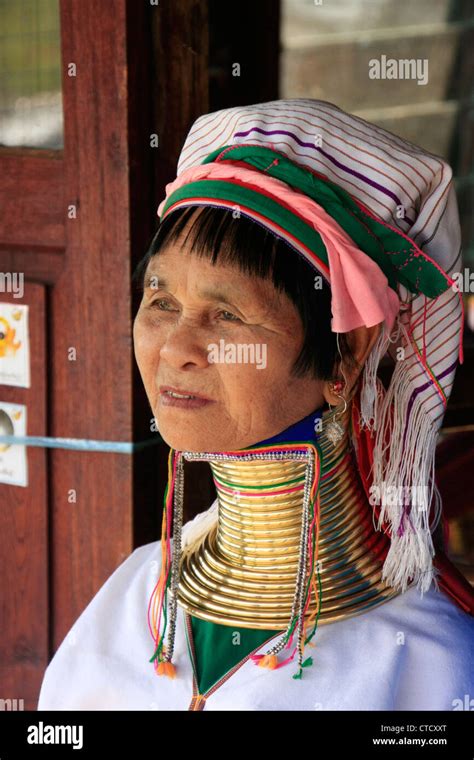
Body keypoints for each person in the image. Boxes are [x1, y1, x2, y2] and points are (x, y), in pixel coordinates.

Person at [37, 99, 474, 711]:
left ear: (347, 351)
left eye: (227, 314)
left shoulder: (425, 663)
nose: (177, 349)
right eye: (161, 301)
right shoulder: (132, 597)